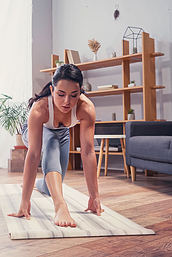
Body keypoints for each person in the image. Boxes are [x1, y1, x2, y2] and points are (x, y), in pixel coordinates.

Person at [8, 64, 104, 227]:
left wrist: (94, 197)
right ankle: (61, 206)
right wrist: (24, 201)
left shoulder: (86, 108)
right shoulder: (40, 108)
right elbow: (33, 154)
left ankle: (36, 183)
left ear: (80, 91)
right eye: (61, 94)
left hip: (62, 133)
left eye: (74, 95)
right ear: (52, 90)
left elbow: (87, 153)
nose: (67, 102)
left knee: (50, 186)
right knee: (51, 143)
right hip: (35, 132)